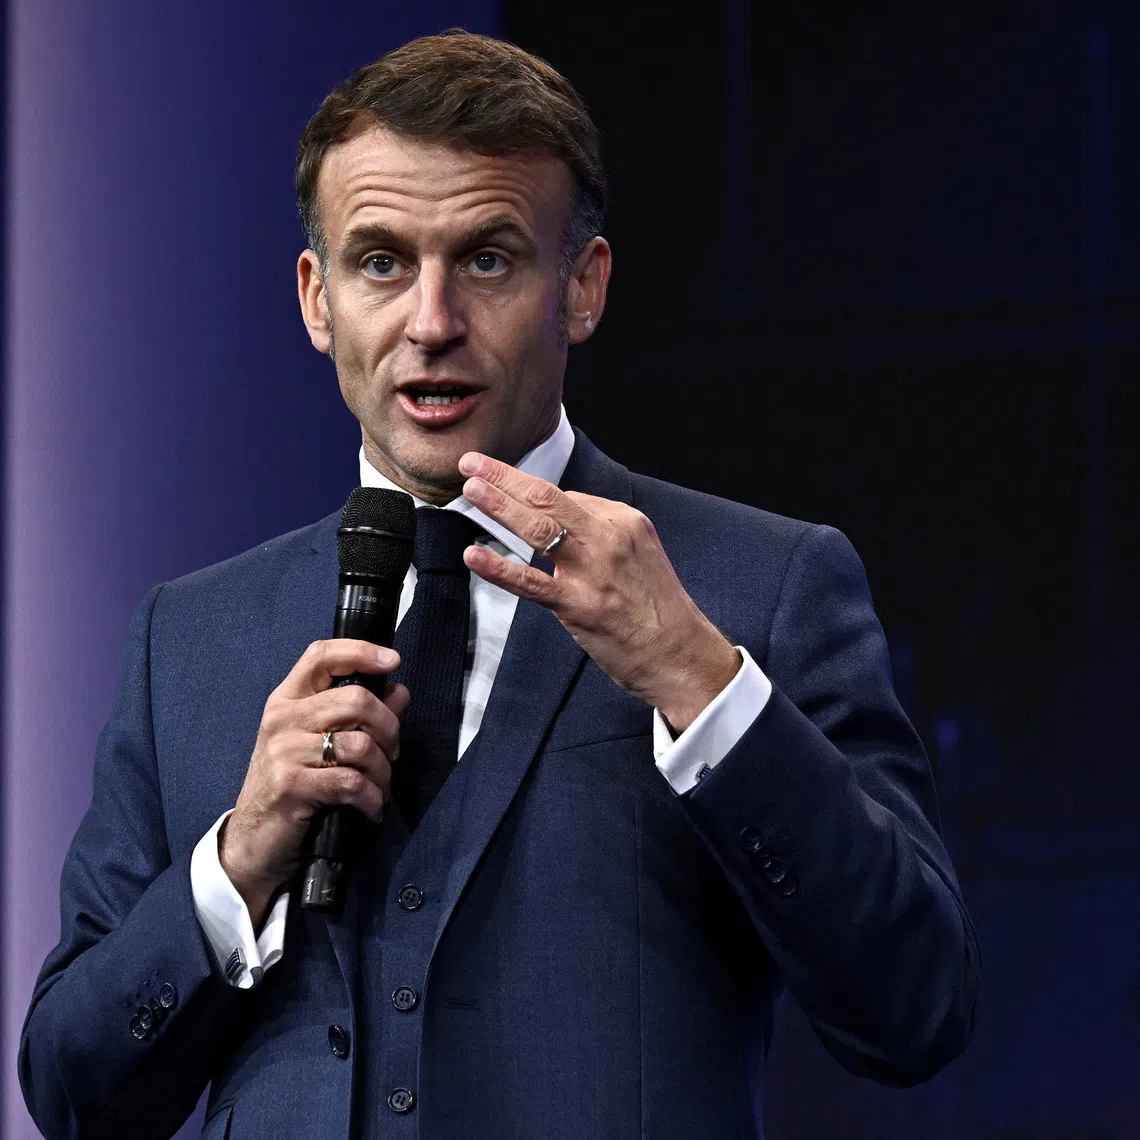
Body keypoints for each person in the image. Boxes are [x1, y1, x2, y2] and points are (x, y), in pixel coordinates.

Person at [19, 30, 978, 1140]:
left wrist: (699, 681)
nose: (431, 322)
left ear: (583, 288)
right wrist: (239, 861)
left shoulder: (758, 584)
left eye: (487, 259)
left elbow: (914, 1009)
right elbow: (73, 1093)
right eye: (381, 261)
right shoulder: (187, 638)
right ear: (316, 298)